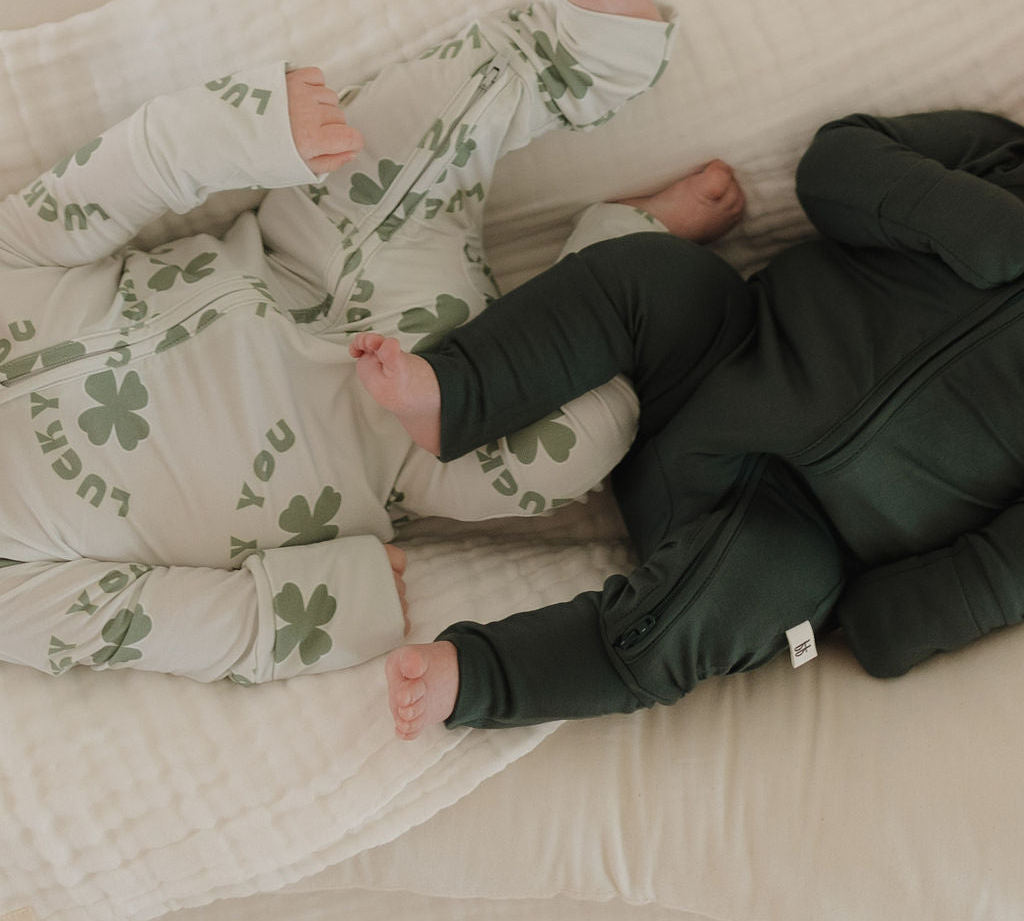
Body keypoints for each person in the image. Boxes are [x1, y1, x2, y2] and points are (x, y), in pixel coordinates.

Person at [0, 0, 705, 685]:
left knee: (405, 118)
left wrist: (254, 128)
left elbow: (116, 177)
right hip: (403, 442)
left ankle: (593, 49)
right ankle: (619, 254)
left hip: (320, 259)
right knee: (583, 445)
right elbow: (143, 623)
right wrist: (329, 606)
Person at [354, 103, 1024, 737]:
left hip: (787, 527)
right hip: (732, 347)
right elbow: (837, 158)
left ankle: (480, 677)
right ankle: (456, 391)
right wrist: (984, 226)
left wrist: (861, 611)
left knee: (736, 607)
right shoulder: (1006, 157)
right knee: (648, 275)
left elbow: (924, 612)